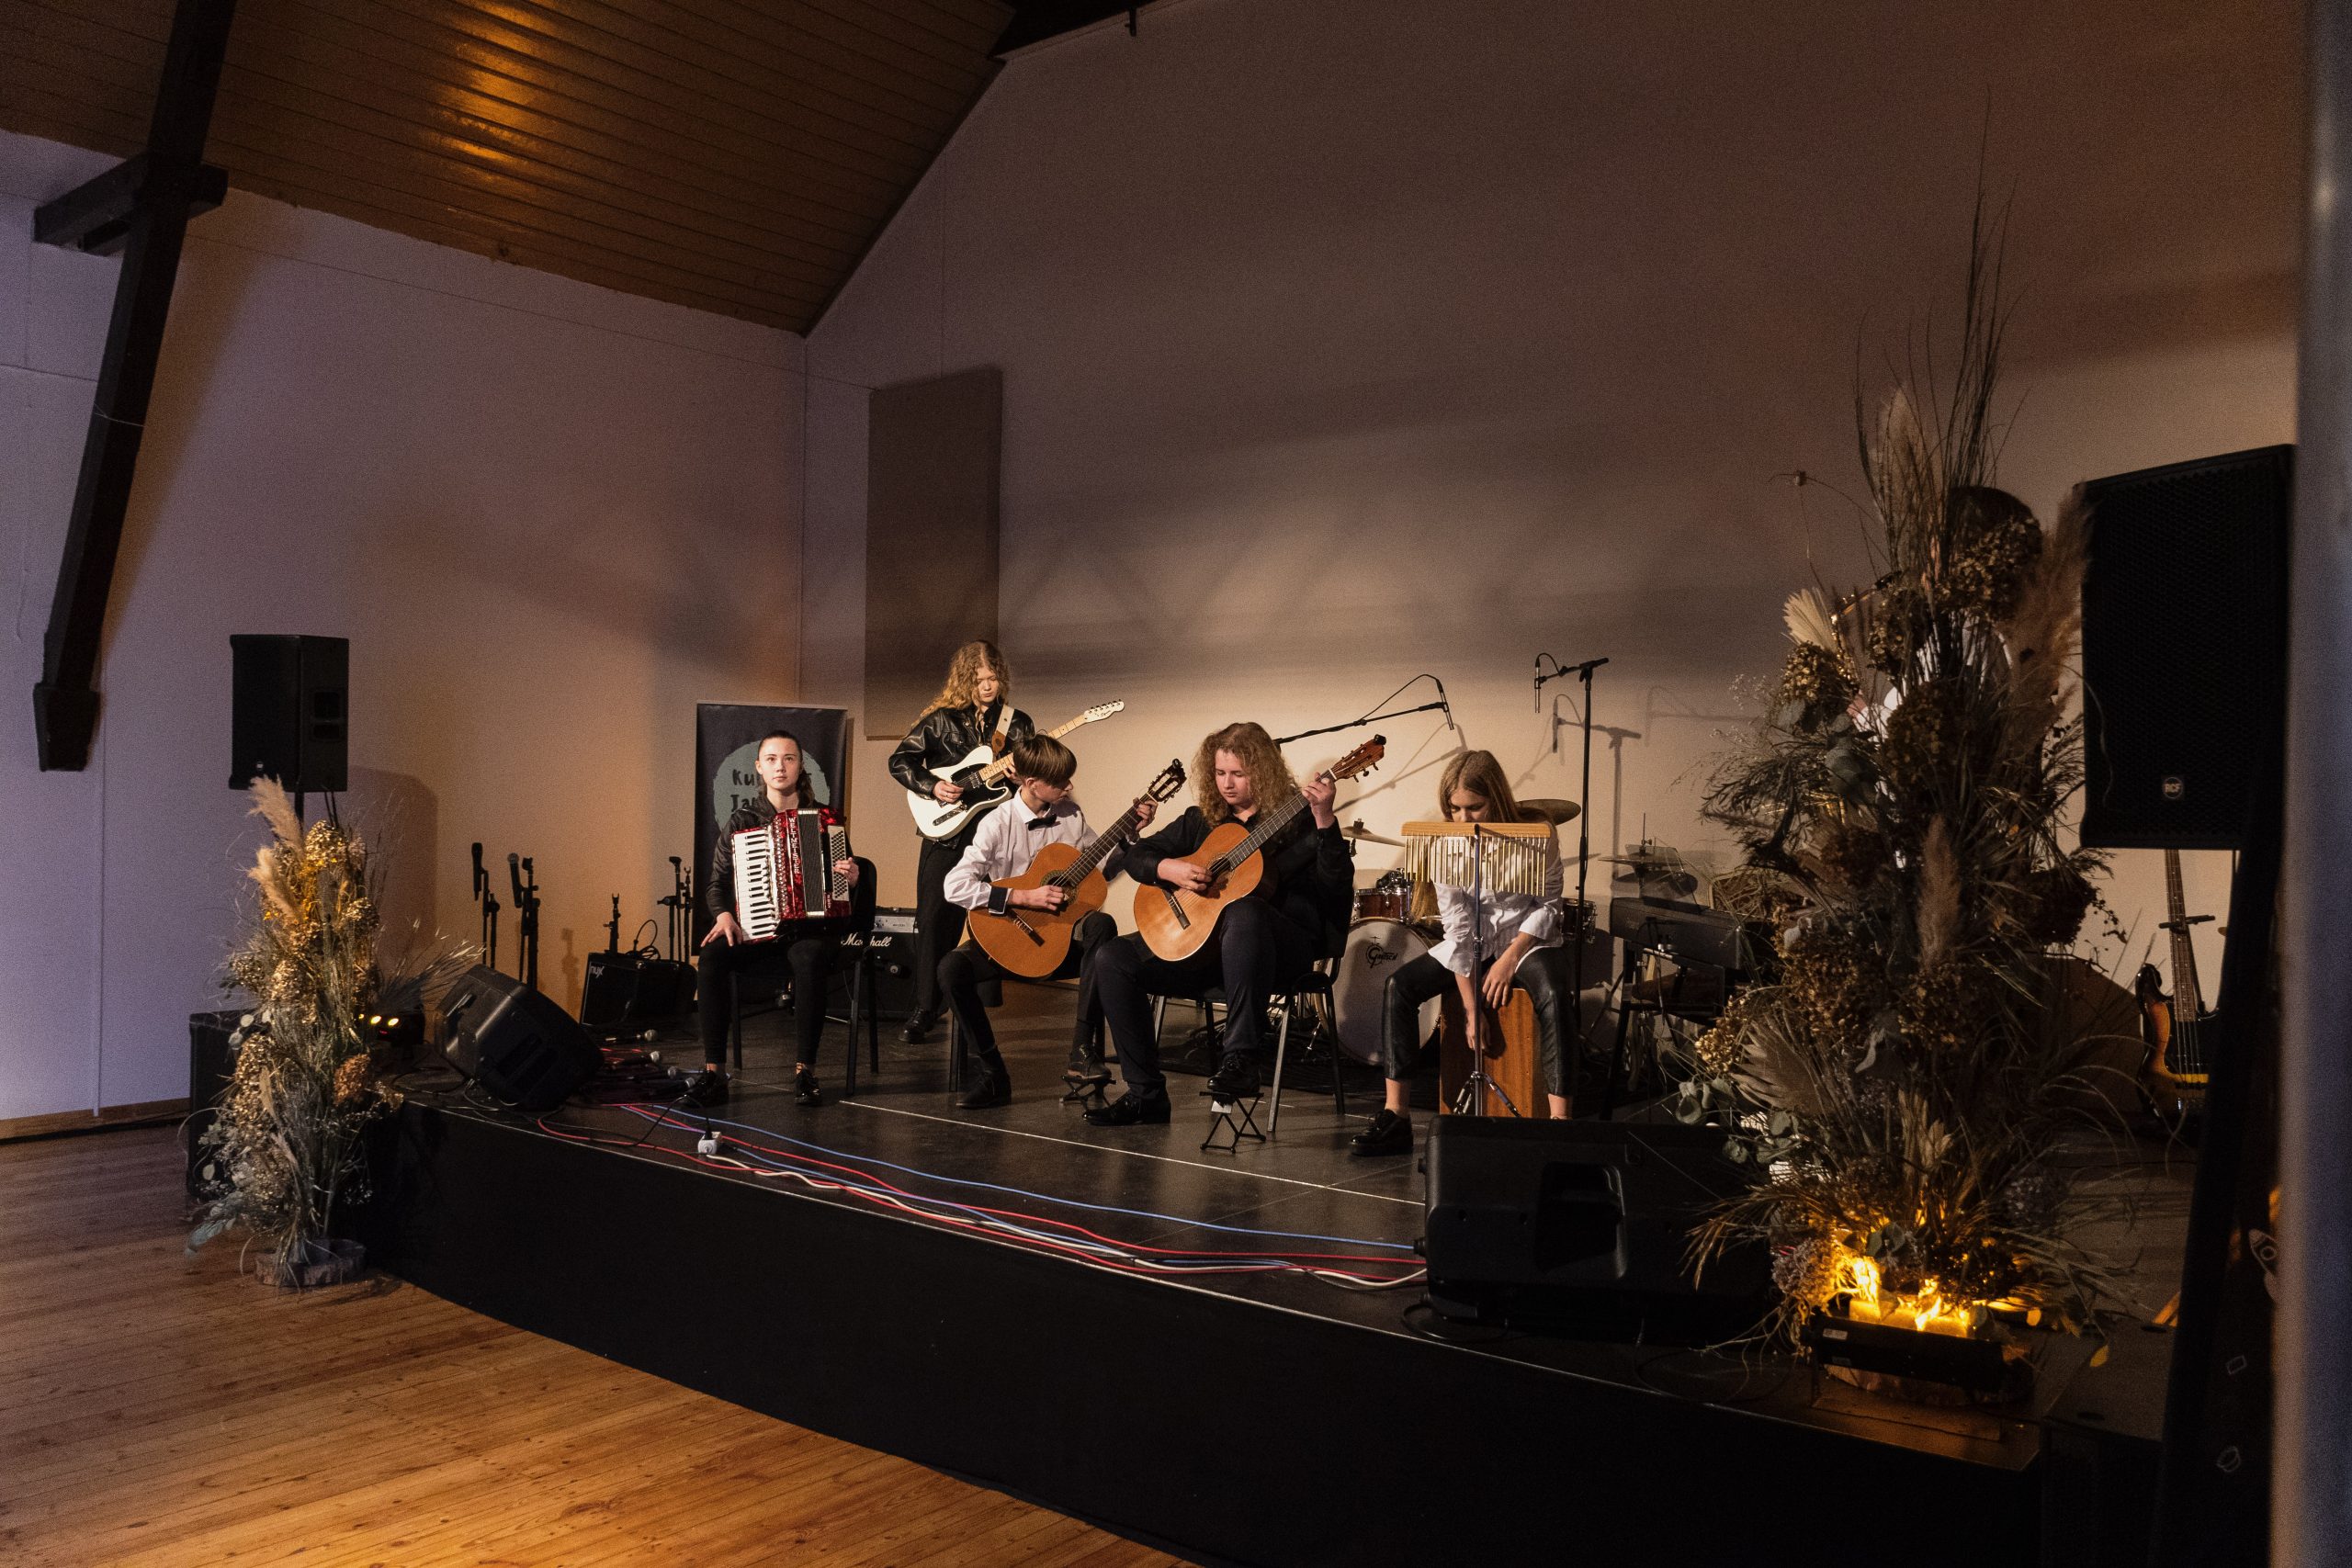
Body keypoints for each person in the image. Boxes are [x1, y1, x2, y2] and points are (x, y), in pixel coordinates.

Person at [1085, 722, 1352, 1127]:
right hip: (1208, 950)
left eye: (1238, 774)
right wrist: (1169, 868)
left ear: (1263, 772)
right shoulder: (1203, 820)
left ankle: (1240, 1060)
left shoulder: (1300, 821)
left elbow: (1336, 887)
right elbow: (1140, 857)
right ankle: (1145, 1095)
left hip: (1281, 952)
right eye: (1219, 773)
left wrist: (1325, 820)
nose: (1226, 784)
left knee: (1244, 910)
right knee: (1112, 957)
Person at [1351, 750, 1574, 1156]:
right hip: (1473, 944)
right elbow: (1458, 931)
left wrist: (1509, 960)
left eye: (1474, 807)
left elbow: (1548, 907)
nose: (1463, 818)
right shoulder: (1447, 846)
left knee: (1555, 994)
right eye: (1454, 809)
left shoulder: (1537, 835)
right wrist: (1472, 1011)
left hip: (1525, 941)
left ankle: (1561, 1123)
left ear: (1497, 800)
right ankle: (1396, 1115)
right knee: (1399, 986)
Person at [934, 735, 1157, 1109]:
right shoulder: (996, 823)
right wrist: (1023, 897)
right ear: (1031, 782)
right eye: (1059, 781)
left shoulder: (1070, 815)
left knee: (1101, 926)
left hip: (1059, 942)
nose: (1068, 787)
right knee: (950, 969)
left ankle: (1081, 1052)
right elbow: (954, 886)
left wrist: (1130, 835)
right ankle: (993, 1074)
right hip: (1012, 937)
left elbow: (1101, 870)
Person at [694, 731, 860, 1108]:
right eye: (771, 759)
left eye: (788, 759)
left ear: (800, 766)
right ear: (759, 767)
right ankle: (714, 1073)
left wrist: (851, 878)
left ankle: (805, 1071)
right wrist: (724, 915)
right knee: (712, 956)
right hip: (759, 931)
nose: (779, 767)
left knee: (809, 956)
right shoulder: (742, 821)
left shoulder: (825, 819)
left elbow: (844, 886)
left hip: (809, 930)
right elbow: (716, 883)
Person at [890, 641, 1033, 1044]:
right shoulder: (941, 721)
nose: (987, 686)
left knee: (993, 914)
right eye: (979, 679)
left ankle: (977, 1003)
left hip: (996, 833)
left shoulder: (1017, 724)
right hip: (948, 833)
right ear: (964, 680)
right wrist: (932, 785)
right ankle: (925, 1008)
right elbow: (900, 761)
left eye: (993, 678)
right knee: (935, 919)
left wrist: (1024, 776)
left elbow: (1030, 778)